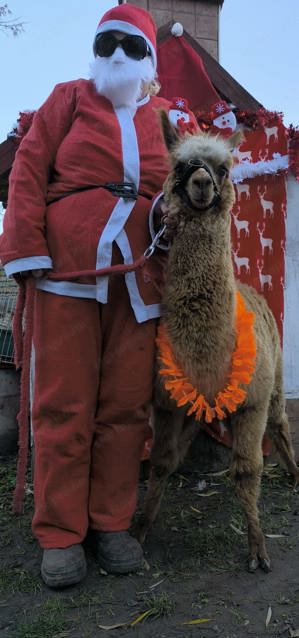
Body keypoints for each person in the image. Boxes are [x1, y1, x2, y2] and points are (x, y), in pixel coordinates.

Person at [0, 4, 196, 588]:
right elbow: (29, 172)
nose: (117, 54)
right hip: (67, 273)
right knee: (64, 402)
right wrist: (25, 251)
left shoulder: (165, 118)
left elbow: (182, 191)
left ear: (149, 61)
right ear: (95, 49)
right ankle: (60, 533)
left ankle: (110, 524)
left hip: (140, 280)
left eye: (131, 46)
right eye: (107, 43)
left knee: (125, 406)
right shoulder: (68, 99)